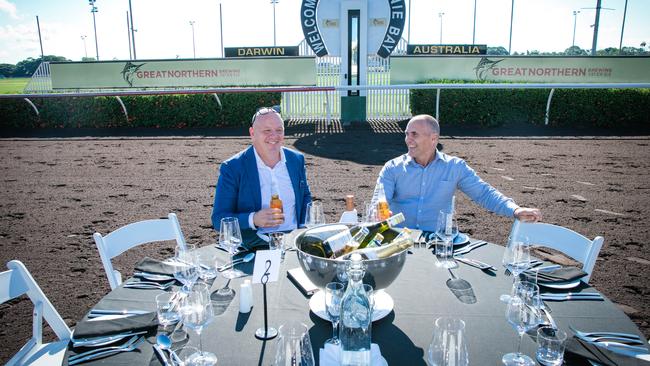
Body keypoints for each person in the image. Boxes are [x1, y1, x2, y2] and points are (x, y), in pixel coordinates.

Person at [373, 114, 542, 232]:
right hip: (401, 241)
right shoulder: (392, 168)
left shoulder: (455, 167)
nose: (408, 139)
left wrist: (515, 210)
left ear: (433, 138)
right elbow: (379, 201)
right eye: (407, 134)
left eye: (414, 134)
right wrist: (378, 212)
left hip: (438, 242)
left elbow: (483, 193)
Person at [211, 107, 312, 247]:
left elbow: (305, 196)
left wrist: (303, 229)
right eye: (267, 131)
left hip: (294, 242)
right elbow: (218, 219)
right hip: (255, 245)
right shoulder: (233, 167)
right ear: (252, 133)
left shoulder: (296, 159)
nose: (274, 136)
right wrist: (254, 219)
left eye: (279, 130)